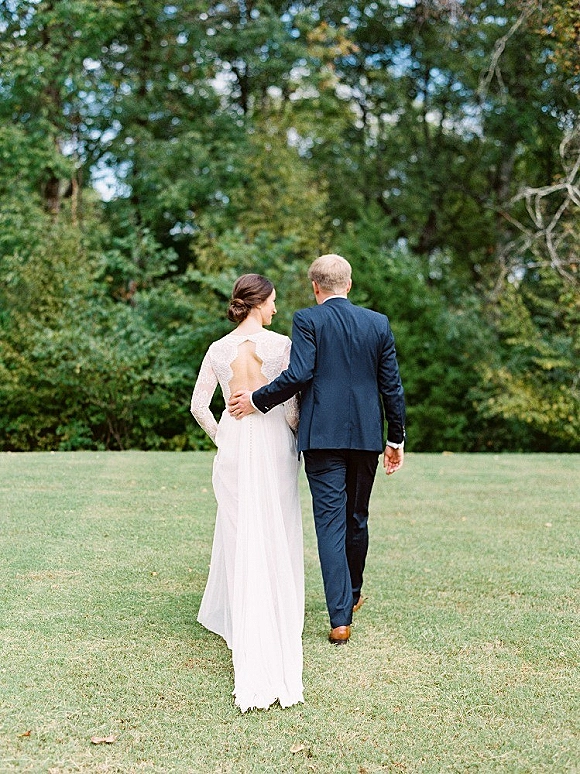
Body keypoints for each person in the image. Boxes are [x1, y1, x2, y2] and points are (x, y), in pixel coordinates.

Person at [229, 254, 405, 645]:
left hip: (322, 437)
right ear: (349, 283)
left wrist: (257, 399)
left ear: (315, 287)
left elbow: (300, 373)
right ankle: (352, 594)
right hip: (365, 437)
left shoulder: (308, 320)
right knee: (357, 516)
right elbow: (391, 385)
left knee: (330, 523)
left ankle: (340, 619)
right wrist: (395, 438)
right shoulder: (378, 323)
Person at [190, 274, 304, 712]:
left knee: (239, 528)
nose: (276, 308)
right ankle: (275, 609)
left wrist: (224, 436)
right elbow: (291, 405)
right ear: (258, 303)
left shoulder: (218, 349)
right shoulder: (281, 345)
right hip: (273, 441)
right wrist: (291, 433)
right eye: (272, 301)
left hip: (236, 443)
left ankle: (244, 615)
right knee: (276, 522)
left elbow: (199, 406)